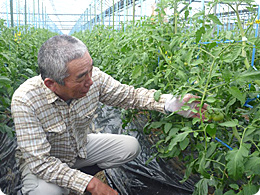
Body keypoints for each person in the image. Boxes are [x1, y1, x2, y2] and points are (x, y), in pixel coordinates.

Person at [11, 35, 207, 195]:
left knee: (130, 147)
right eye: (81, 77)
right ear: (51, 84)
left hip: (78, 148)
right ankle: (65, 183)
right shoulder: (25, 100)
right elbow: (41, 162)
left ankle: (75, 177)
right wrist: (92, 184)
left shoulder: (94, 78)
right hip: (46, 160)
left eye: (91, 69)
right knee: (47, 193)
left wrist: (170, 102)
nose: (90, 81)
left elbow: (129, 96)